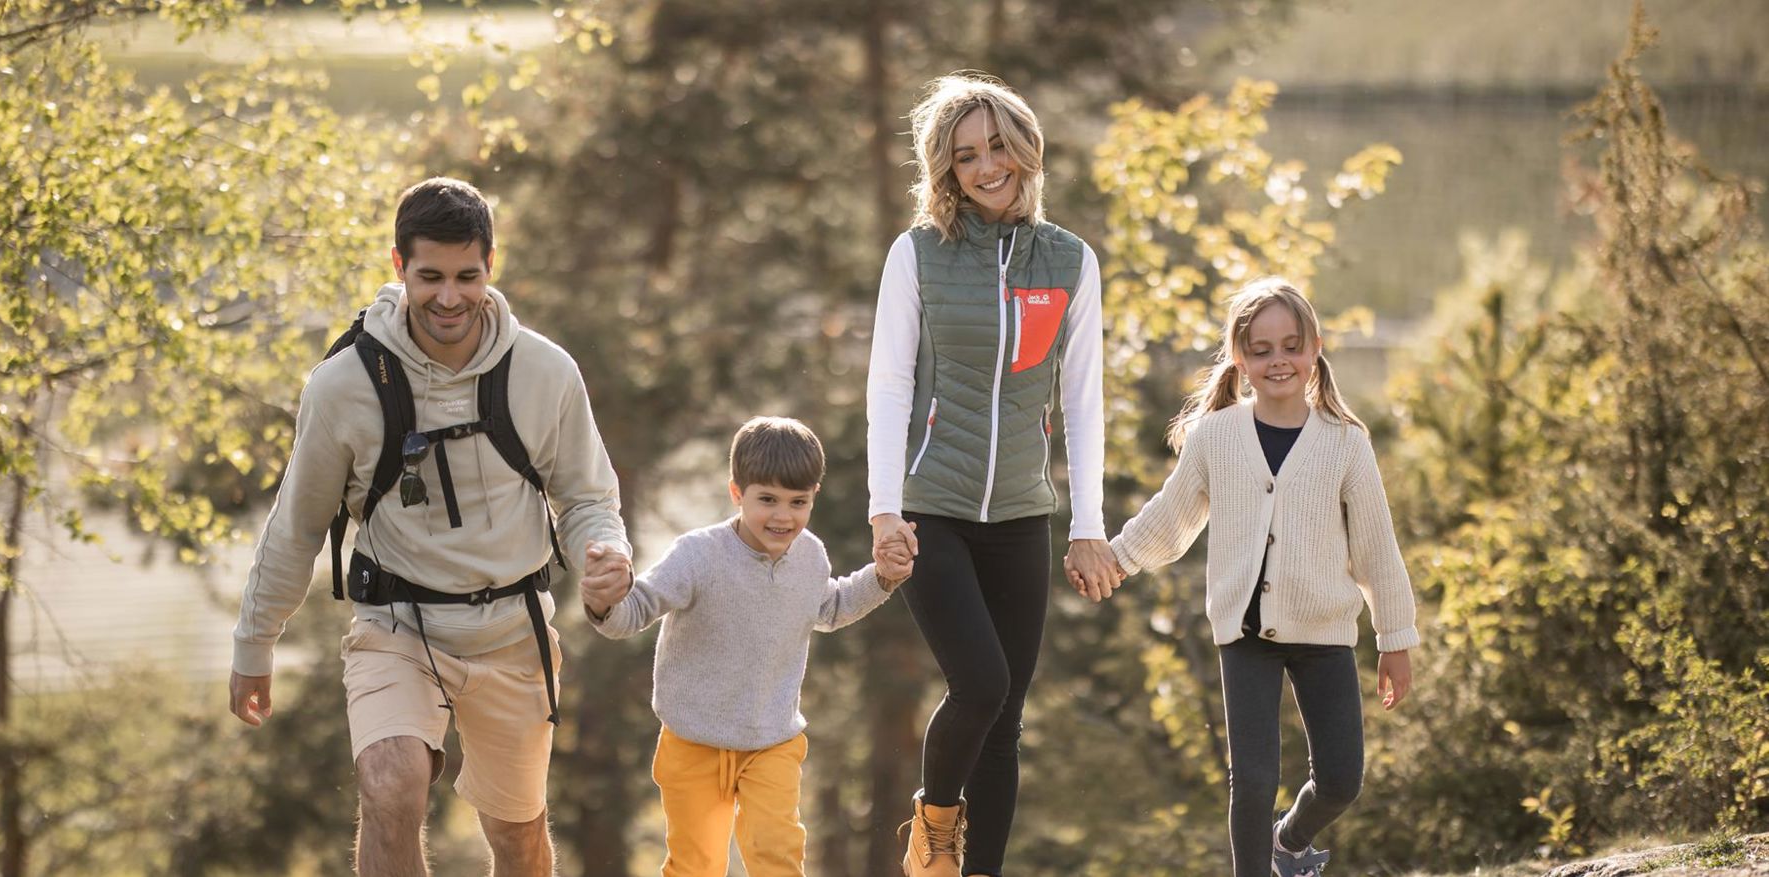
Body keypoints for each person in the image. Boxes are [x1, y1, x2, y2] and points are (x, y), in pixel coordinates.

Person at [227, 177, 633, 877]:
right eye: (431, 276)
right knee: (390, 785)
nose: (450, 297)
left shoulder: (544, 372)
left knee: (518, 838)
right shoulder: (344, 385)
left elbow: (588, 497)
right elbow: (296, 525)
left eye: (467, 276)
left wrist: (606, 552)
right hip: (396, 627)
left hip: (513, 632)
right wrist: (254, 642)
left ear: (491, 265)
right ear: (398, 266)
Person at [866, 72, 1119, 877]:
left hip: (1020, 515)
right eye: (966, 155)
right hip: (929, 508)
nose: (986, 167)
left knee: (1006, 718)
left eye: (998, 147)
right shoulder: (918, 255)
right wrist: (883, 512)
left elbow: (1082, 401)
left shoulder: (1070, 260)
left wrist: (1087, 526)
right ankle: (935, 825)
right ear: (945, 168)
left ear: (1026, 150)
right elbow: (889, 385)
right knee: (980, 682)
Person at [1103, 277, 1419, 877]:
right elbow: (1172, 518)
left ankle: (1290, 844)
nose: (1278, 360)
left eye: (1291, 346)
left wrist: (1395, 640)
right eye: (1262, 348)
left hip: (1323, 631)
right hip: (1245, 634)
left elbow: (1377, 548)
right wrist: (1115, 559)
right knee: (1251, 781)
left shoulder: (1345, 444)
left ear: (1315, 348)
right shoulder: (1216, 437)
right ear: (1241, 358)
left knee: (1341, 781)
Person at [580, 416, 912, 877]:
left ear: (814, 496)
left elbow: (831, 607)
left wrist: (882, 579)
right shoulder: (698, 555)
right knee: (696, 864)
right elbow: (634, 612)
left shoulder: (810, 554)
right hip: (692, 742)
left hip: (772, 740)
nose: (783, 516)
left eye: (799, 502)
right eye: (768, 500)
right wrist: (604, 603)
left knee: (777, 853)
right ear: (737, 493)